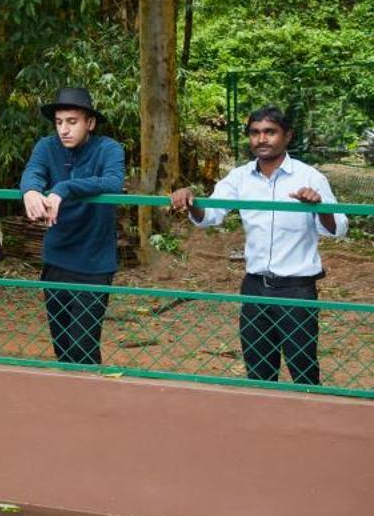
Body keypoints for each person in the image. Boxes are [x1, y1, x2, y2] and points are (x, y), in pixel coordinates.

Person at [169, 105, 347, 387]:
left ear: (287, 136)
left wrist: (319, 206)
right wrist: (189, 199)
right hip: (254, 287)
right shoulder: (239, 178)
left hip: (297, 289)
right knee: (258, 369)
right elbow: (210, 217)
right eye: (254, 133)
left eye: (269, 132)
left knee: (303, 366)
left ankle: (309, 424)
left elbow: (338, 228)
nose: (261, 139)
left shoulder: (310, 177)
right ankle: (265, 426)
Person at [19, 86, 125, 368]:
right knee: (63, 344)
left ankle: (92, 404)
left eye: (72, 122)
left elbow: (113, 182)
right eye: (59, 122)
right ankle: (69, 404)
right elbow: (33, 172)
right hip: (57, 258)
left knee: (83, 345)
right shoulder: (46, 146)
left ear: (90, 123)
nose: (64, 129)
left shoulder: (109, 149)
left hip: (94, 261)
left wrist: (64, 188)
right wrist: (30, 190)